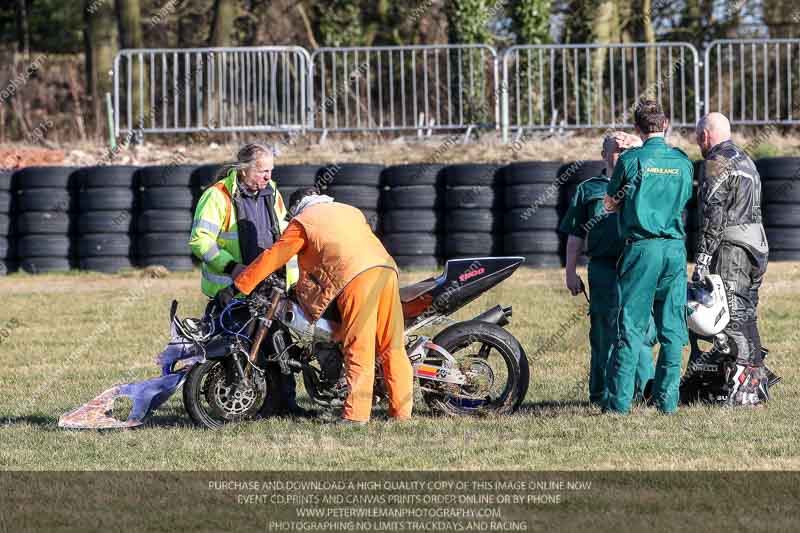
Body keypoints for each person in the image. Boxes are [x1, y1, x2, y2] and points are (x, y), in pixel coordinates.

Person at [227, 187, 414, 425]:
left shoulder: (304, 221)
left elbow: (275, 255)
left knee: (359, 346)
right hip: (387, 271)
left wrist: (242, 284)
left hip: (357, 278)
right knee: (391, 345)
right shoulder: (349, 210)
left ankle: (356, 416)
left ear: (296, 208)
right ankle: (402, 413)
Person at [189, 142, 306, 417]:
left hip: (269, 286)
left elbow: (284, 238)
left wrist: (290, 280)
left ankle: (285, 405)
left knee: (278, 346)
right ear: (243, 170)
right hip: (232, 290)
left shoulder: (272, 192)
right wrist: (232, 268)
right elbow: (200, 241)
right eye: (262, 171)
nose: (268, 176)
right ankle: (228, 402)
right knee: (236, 348)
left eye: (270, 171)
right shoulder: (217, 196)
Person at [603, 100, 694, 415]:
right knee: (672, 329)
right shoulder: (683, 162)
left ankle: (618, 404)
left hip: (642, 248)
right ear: (665, 123)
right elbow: (684, 198)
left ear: (637, 128)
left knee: (631, 326)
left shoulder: (630, 161)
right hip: (674, 248)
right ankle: (667, 402)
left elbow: (610, 204)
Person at [560, 132, 655, 408]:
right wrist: (569, 272)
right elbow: (575, 234)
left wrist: (638, 146)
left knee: (642, 329)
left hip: (637, 264)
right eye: (614, 150)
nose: (620, 154)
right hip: (603, 268)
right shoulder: (588, 188)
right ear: (603, 155)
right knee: (604, 331)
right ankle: (602, 393)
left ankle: (645, 391)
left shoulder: (642, 179)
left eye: (625, 150)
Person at [694, 112, 770, 406]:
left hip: (732, 248)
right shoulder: (747, 161)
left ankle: (741, 387)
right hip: (757, 246)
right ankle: (756, 381)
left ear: (705, 136)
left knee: (731, 314)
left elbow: (714, 213)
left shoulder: (716, 161)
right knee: (748, 314)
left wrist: (702, 258)